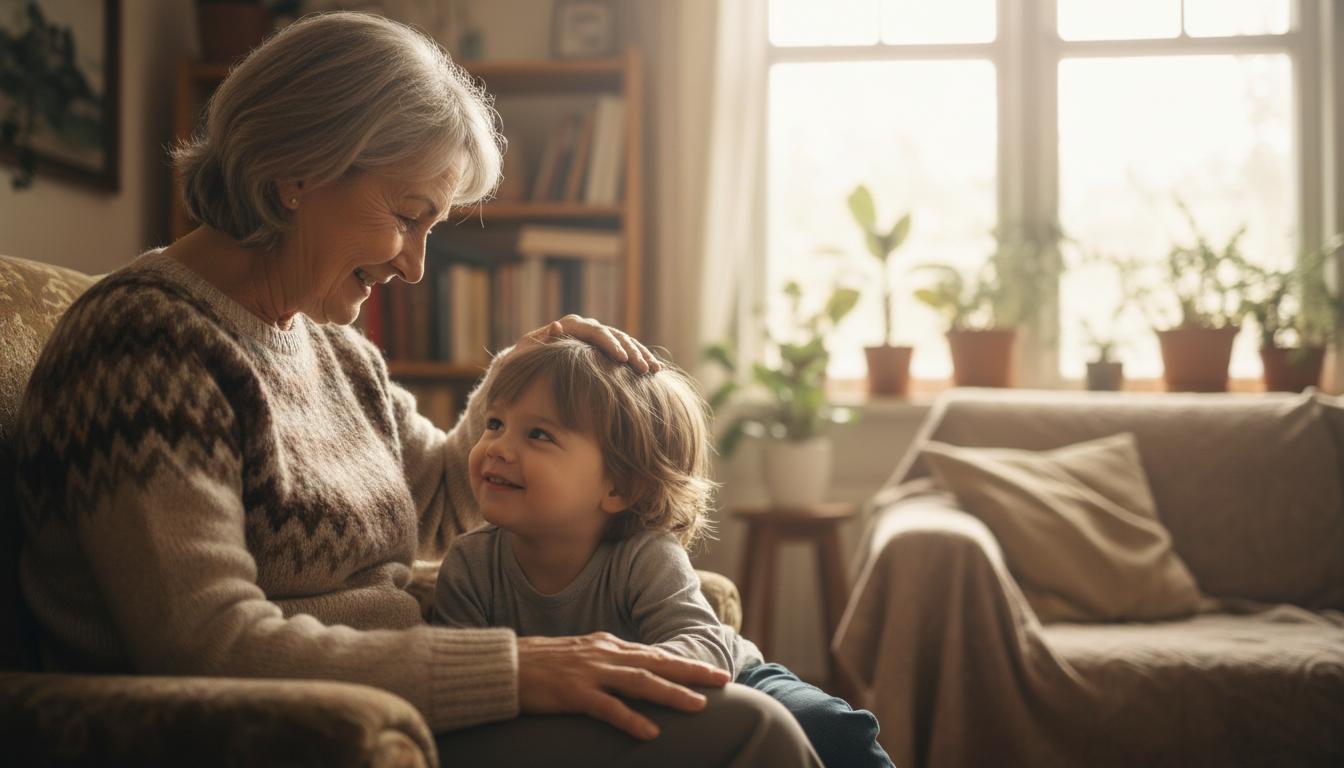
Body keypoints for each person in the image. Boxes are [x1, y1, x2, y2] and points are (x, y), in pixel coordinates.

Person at [13, 11, 820, 767]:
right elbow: (206, 641)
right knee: (751, 734)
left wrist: (520, 378)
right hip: (304, 727)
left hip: (400, 693)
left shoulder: (331, 346)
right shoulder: (147, 345)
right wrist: (519, 669)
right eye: (408, 216)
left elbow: (440, 498)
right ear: (299, 171)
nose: (414, 264)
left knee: (771, 715)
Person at [433, 336, 894, 768]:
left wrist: (613, 673)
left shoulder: (643, 554)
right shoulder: (469, 565)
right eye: (495, 423)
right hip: (572, 718)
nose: (496, 447)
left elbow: (706, 646)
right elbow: (460, 686)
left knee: (833, 729)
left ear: (620, 486)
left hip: (732, 681)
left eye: (538, 435)